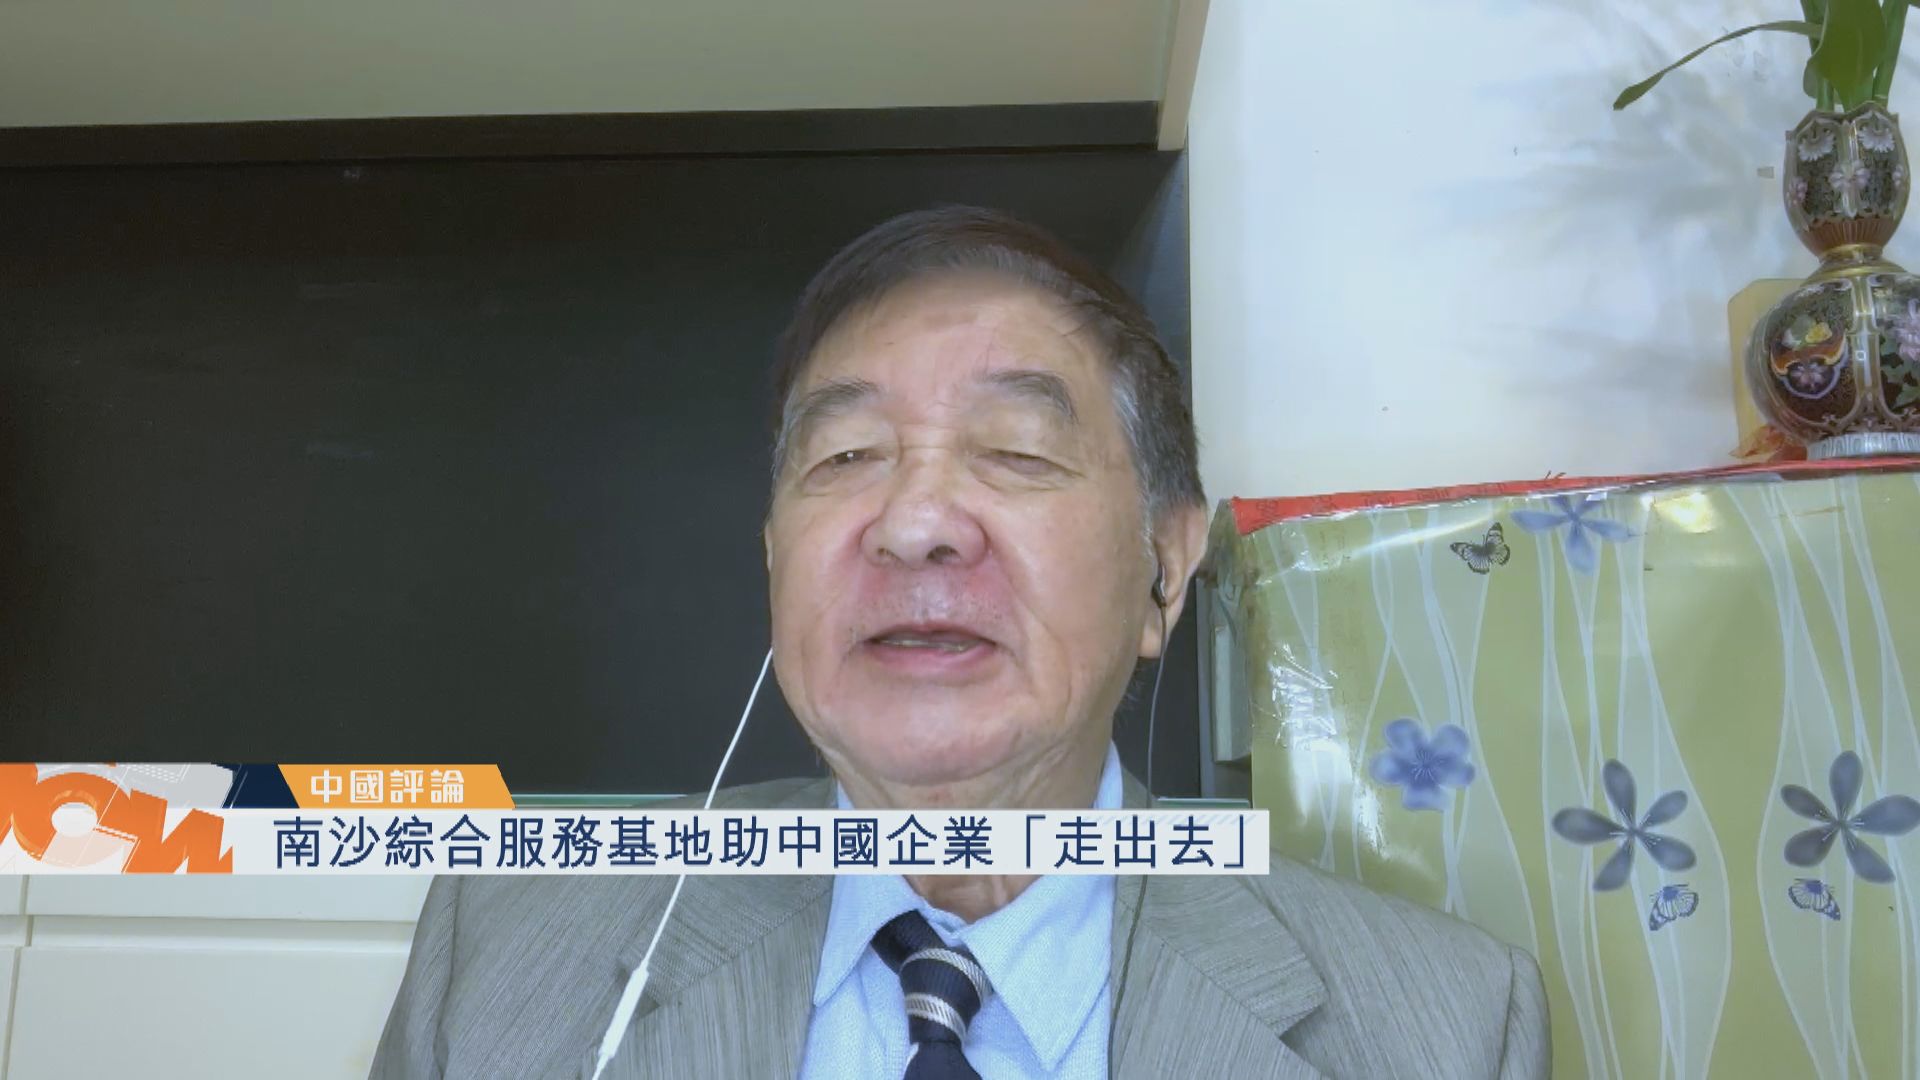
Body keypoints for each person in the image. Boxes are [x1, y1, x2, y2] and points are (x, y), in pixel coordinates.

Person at [370, 207, 1549, 1079]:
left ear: (1165, 567)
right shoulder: (503, 954)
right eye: (845, 458)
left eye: (1017, 451)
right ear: (774, 558)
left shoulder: (1443, 1028)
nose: (914, 523)